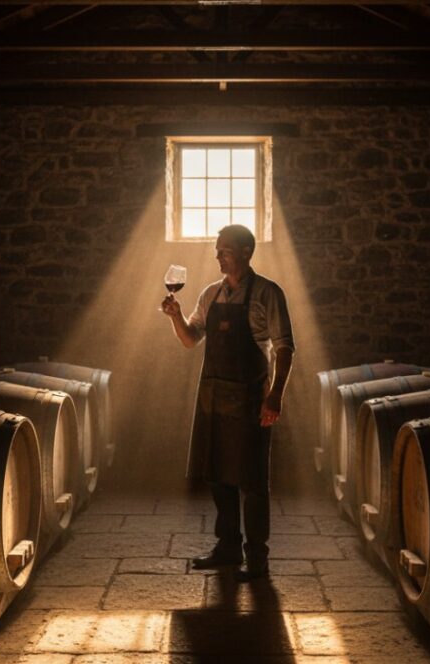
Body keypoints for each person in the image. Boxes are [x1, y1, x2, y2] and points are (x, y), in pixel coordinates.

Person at [161, 224, 294, 581]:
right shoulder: (210, 295)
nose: (218, 255)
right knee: (218, 475)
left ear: (247, 252)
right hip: (213, 397)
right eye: (218, 250)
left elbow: (284, 347)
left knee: (251, 480)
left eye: (226, 250)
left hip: (251, 398)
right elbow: (191, 340)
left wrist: (276, 394)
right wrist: (176, 317)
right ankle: (228, 547)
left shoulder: (268, 293)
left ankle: (258, 557)